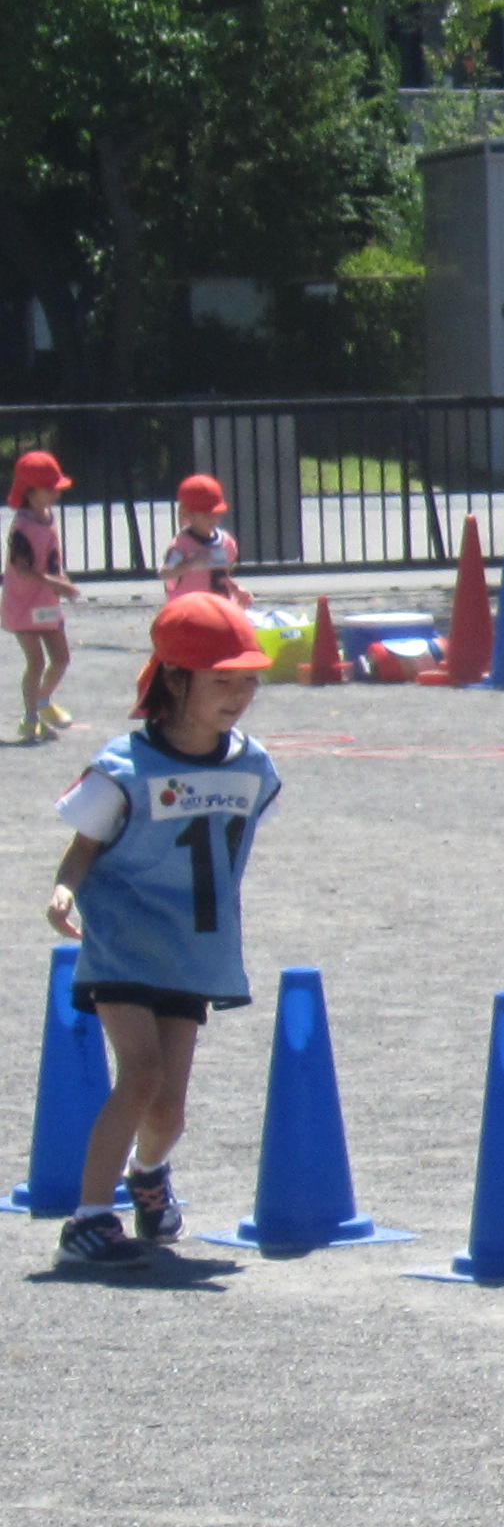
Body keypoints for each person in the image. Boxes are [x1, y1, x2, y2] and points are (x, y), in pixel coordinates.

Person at [39, 597, 284, 1267]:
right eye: (221, 680)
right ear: (175, 680)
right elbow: (86, 843)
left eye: (247, 680)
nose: (239, 695)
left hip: (192, 948)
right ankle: (89, 1218)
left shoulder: (254, 766)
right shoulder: (123, 763)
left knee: (169, 1110)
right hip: (121, 936)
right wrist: (66, 887)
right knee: (140, 1072)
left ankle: (148, 1175)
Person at [9, 448, 77, 747]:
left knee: (61, 658)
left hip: (47, 604)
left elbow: (50, 559)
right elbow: (22, 571)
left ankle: (43, 701)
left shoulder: (48, 517)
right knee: (35, 662)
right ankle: (29, 717)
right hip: (23, 604)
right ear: (30, 491)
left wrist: (61, 582)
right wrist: (56, 583)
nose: (55, 493)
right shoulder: (21, 527)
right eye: (49, 488)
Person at [157, 474, 243, 605]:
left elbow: (222, 576)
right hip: (190, 611)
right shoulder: (181, 545)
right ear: (187, 514)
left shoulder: (226, 542)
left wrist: (237, 590)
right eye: (206, 515)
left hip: (220, 608)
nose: (213, 519)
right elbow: (165, 574)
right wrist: (189, 564)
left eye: (216, 514)